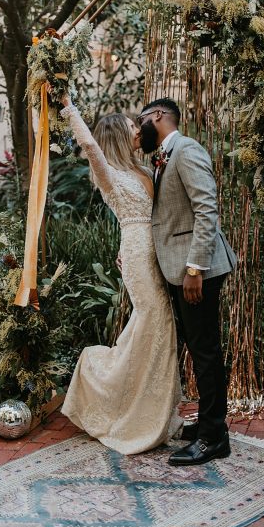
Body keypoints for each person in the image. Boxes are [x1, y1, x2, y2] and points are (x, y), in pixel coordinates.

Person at [59, 98, 183, 455]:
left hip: (154, 251)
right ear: (117, 135)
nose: (138, 129)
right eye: (131, 126)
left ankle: (147, 409)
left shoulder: (141, 170)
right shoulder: (107, 172)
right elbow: (90, 146)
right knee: (155, 322)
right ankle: (125, 406)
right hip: (137, 255)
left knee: (158, 327)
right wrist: (68, 107)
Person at [137, 97, 237, 467]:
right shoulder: (163, 156)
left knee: (205, 351)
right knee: (198, 349)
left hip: (199, 270)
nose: (139, 125)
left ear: (158, 116)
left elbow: (206, 208)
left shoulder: (187, 149)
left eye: (141, 119)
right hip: (182, 268)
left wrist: (195, 269)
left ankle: (214, 438)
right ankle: (209, 425)